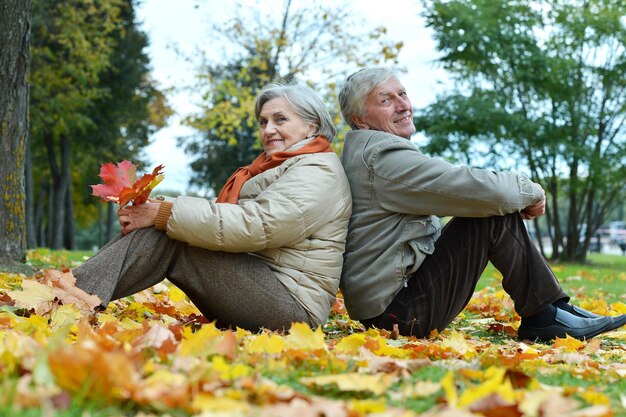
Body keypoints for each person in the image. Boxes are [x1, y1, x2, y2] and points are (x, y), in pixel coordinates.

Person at [337, 67, 625, 341]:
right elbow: (467, 187)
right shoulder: (382, 158)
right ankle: (546, 314)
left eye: (402, 94)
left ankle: (554, 311)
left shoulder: (369, 152)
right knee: (488, 209)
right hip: (399, 315)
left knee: (488, 205)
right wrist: (531, 191)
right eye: (386, 100)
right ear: (360, 119)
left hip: (392, 307)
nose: (403, 105)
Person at [73, 83, 352, 331]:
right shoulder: (282, 165)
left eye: (280, 119)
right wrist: (160, 209)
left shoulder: (317, 170)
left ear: (311, 126)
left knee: (172, 231)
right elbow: (226, 213)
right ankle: (73, 292)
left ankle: (71, 297)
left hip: (292, 310)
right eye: (263, 121)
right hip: (265, 288)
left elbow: (256, 225)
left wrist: (165, 215)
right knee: (169, 225)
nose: (268, 129)